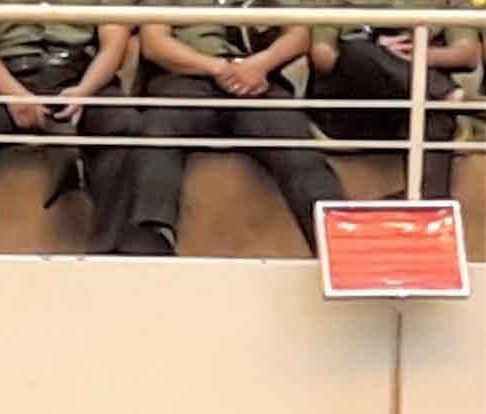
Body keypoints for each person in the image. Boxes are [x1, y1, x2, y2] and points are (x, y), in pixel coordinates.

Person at [125, 0, 346, 256]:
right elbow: (154, 44)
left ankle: (339, 245)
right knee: (158, 127)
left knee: (293, 141)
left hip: (258, 81)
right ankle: (151, 243)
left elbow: (298, 34)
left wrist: (260, 64)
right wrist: (218, 68)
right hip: (187, 79)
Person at [0, 7, 143, 254]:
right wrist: (14, 94)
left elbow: (114, 42)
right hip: (5, 74)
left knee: (125, 125)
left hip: (81, 73)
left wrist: (85, 90)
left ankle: (108, 253)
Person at [307, 13, 478, 202]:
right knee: (357, 51)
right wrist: (378, 53)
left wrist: (414, 55)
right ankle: (449, 94)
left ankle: (425, 205)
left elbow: (468, 55)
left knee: (431, 108)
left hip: (412, 101)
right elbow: (323, 56)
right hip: (351, 106)